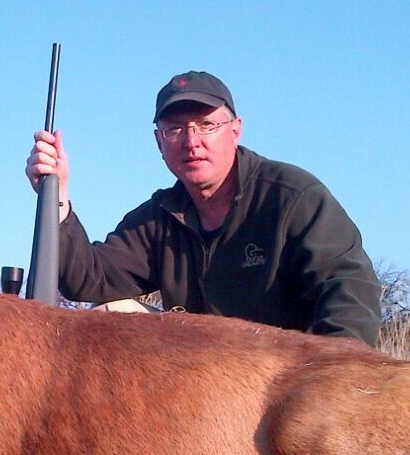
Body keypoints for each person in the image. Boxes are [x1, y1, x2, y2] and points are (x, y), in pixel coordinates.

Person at [25, 70, 382, 347]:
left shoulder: (293, 197)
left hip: (283, 379)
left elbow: (348, 290)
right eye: (175, 129)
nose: (192, 142)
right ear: (158, 142)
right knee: (109, 313)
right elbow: (87, 279)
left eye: (206, 125)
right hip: (202, 386)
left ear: (235, 130)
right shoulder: (158, 216)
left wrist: (331, 377)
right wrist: (56, 195)